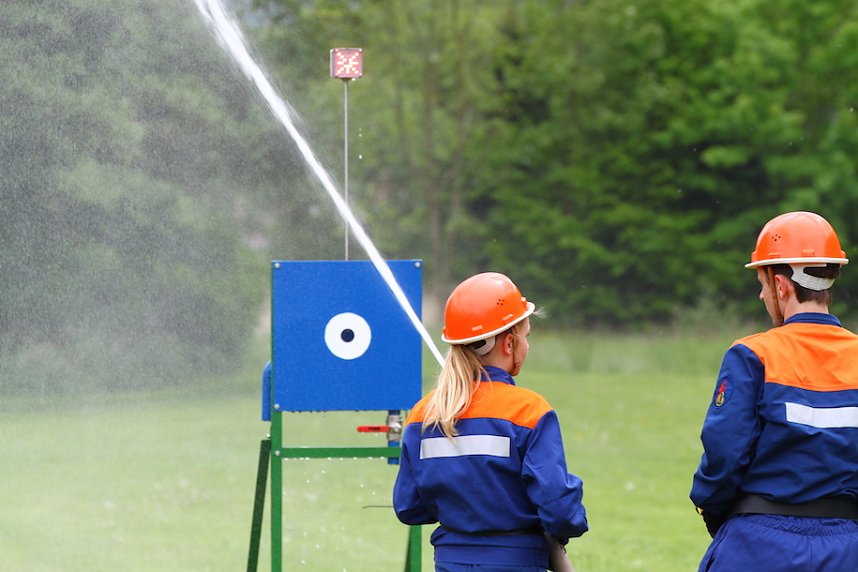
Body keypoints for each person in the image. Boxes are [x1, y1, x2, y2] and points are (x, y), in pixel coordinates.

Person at [690, 211, 858, 571]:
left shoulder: (753, 354)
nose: (762, 295)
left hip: (759, 542)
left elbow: (724, 454)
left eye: (763, 285)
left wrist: (718, 513)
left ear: (780, 285)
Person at [393, 272, 588, 572]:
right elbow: (560, 511)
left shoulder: (424, 414)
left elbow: (409, 507)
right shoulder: (529, 411)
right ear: (510, 343)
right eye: (526, 335)